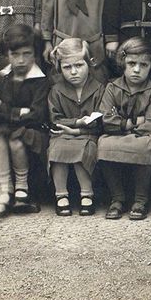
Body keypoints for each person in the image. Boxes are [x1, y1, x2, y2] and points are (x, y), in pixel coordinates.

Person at [0, 23, 50, 216]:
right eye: (15, 54)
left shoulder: (40, 80)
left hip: (33, 131)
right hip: (4, 129)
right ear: (7, 55)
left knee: (16, 139)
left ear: (35, 54)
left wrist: (7, 111)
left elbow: (38, 114)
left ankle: (22, 187)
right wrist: (20, 112)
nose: (21, 60)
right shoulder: (1, 77)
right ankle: (4, 191)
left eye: (27, 54)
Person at [96, 37, 151, 222]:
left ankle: (141, 200)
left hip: (141, 137)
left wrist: (122, 123)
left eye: (143, 65)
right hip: (118, 135)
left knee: (145, 145)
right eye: (132, 63)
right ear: (122, 62)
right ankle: (117, 198)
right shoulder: (112, 87)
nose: (137, 70)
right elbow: (106, 119)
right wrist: (132, 123)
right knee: (104, 144)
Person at [46, 38, 106, 217]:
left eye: (79, 65)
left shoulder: (99, 89)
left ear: (89, 63)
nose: (73, 72)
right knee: (57, 148)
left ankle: (87, 194)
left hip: (88, 134)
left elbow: (102, 120)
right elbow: (55, 119)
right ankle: (61, 194)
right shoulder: (57, 90)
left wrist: (79, 130)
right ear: (60, 68)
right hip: (62, 134)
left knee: (82, 149)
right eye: (67, 67)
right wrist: (76, 123)